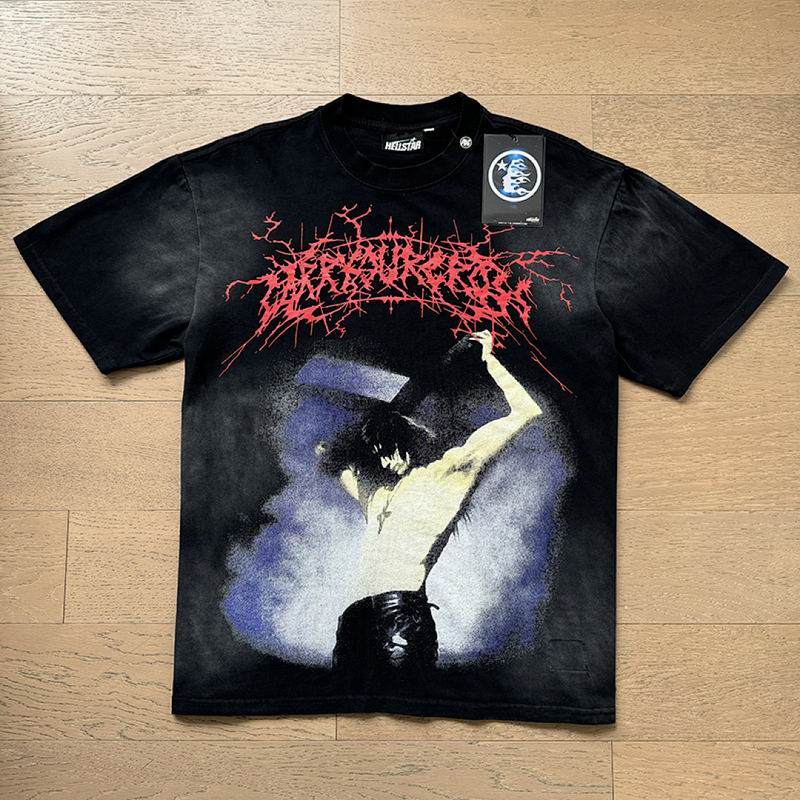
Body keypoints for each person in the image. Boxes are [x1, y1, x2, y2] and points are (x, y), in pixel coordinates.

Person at [316, 330, 543, 685]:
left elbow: (526, 412)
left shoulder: (447, 473)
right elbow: (327, 457)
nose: (386, 462)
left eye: (390, 450)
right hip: (354, 621)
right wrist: (375, 424)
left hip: (399, 615)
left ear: (410, 443)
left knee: (403, 700)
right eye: (379, 455)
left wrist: (491, 361)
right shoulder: (377, 497)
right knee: (346, 704)